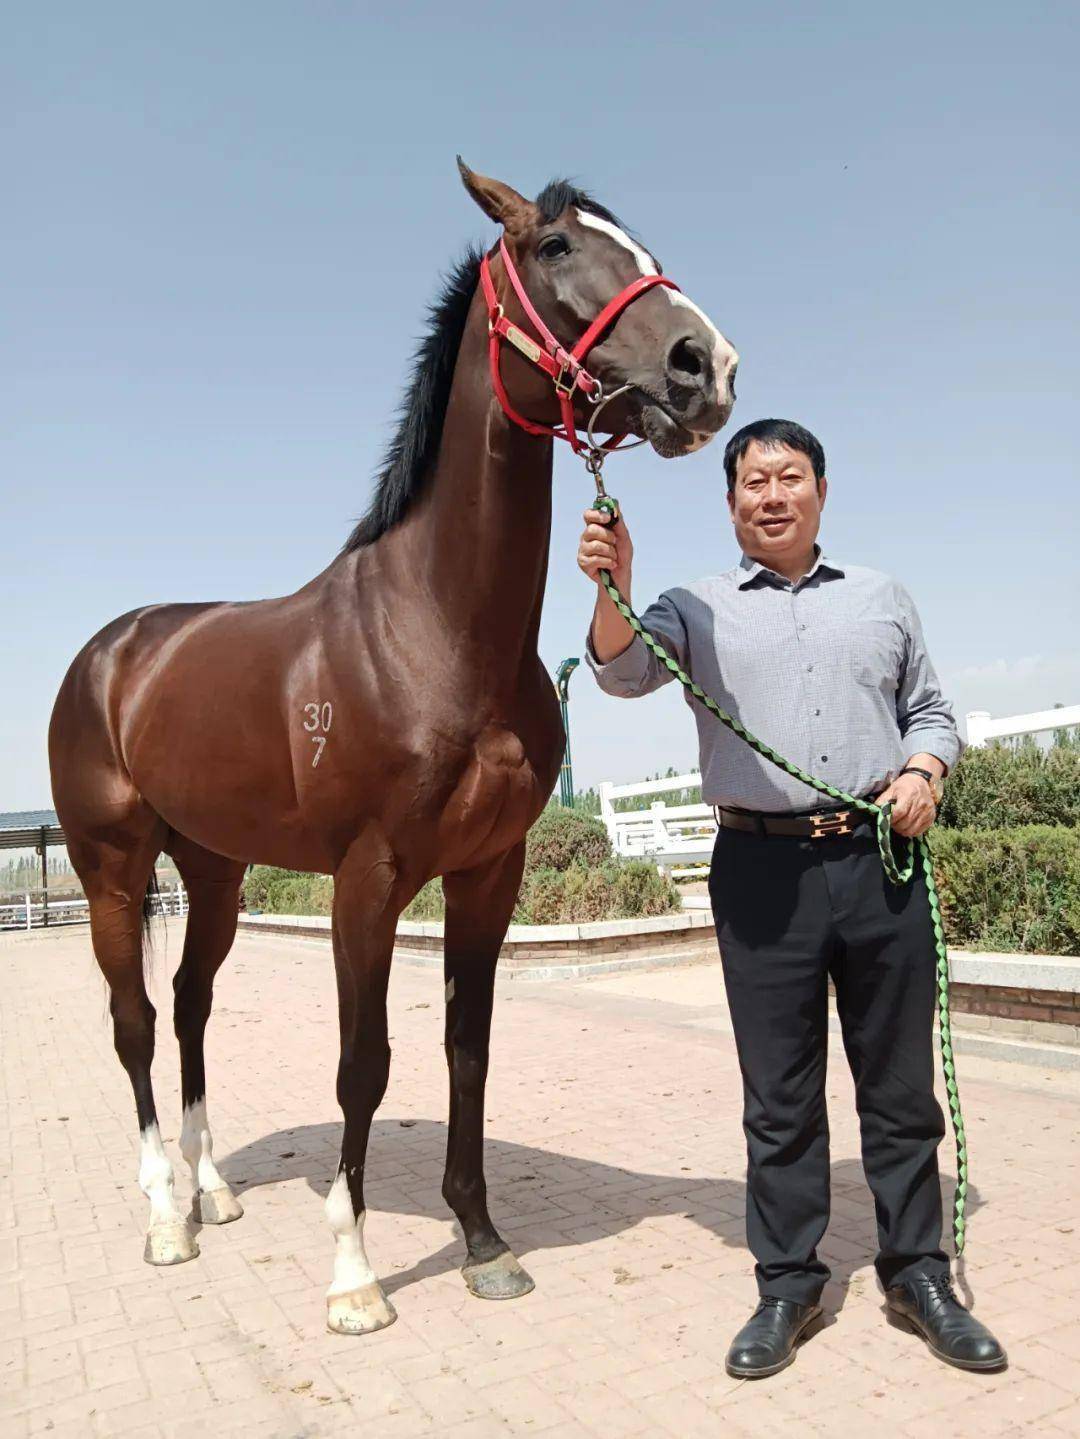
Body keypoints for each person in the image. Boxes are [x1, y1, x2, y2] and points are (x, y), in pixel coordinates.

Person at [579, 418, 1006, 1379]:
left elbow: (931, 710)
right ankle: (787, 1283)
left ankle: (918, 1273)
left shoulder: (883, 598)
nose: (771, 494)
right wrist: (613, 582)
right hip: (760, 871)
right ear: (730, 503)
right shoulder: (696, 605)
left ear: (820, 490)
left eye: (789, 476)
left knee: (899, 1093)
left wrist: (925, 770)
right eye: (752, 481)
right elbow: (622, 671)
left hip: (877, 861)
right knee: (778, 1098)